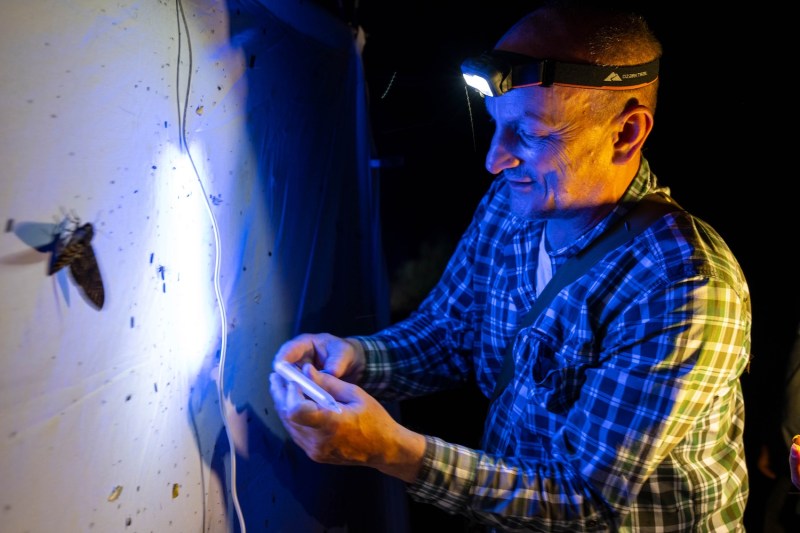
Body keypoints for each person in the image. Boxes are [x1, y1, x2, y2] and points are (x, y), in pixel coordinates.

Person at [269, 1, 752, 531]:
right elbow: (449, 334)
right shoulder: (512, 203)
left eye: (530, 133)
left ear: (625, 133)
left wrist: (393, 451)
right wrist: (353, 358)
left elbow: (583, 501)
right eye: (497, 125)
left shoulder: (682, 284)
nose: (495, 160)